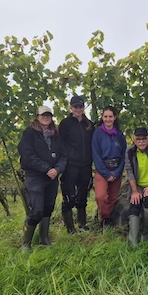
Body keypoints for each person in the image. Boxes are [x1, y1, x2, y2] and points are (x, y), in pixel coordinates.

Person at [18, 105, 67, 249]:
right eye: (42, 115)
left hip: (52, 177)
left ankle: (44, 238)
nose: (46, 118)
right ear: (37, 117)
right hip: (35, 176)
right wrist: (47, 169)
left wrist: (57, 169)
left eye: (48, 115)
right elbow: (28, 156)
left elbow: (64, 155)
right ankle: (26, 243)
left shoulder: (56, 135)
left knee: (48, 208)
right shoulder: (29, 134)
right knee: (36, 210)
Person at [59, 95, 94, 233]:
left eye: (80, 106)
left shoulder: (89, 124)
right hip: (70, 165)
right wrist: (65, 160)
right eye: (75, 107)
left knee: (82, 196)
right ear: (71, 108)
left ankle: (82, 225)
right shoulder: (65, 124)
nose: (78, 109)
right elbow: (60, 144)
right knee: (69, 197)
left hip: (85, 165)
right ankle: (70, 228)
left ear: (83, 107)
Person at [92, 106, 127, 228]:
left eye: (110, 116)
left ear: (115, 117)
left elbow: (124, 155)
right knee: (101, 196)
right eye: (105, 116)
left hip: (116, 170)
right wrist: (106, 174)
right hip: (103, 170)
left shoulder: (119, 134)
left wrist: (117, 173)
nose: (108, 119)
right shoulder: (97, 134)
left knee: (112, 198)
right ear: (102, 118)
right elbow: (96, 155)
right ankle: (105, 218)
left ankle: (108, 223)